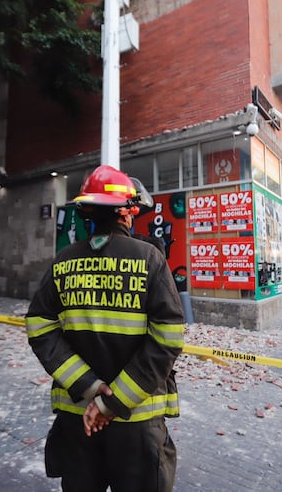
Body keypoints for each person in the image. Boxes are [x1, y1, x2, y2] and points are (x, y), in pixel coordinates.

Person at [26, 165, 184, 491]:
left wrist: (90, 386)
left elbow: (39, 326)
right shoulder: (150, 259)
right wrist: (113, 403)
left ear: (87, 212)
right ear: (127, 213)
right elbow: (168, 338)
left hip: (77, 422)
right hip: (137, 424)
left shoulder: (63, 262)